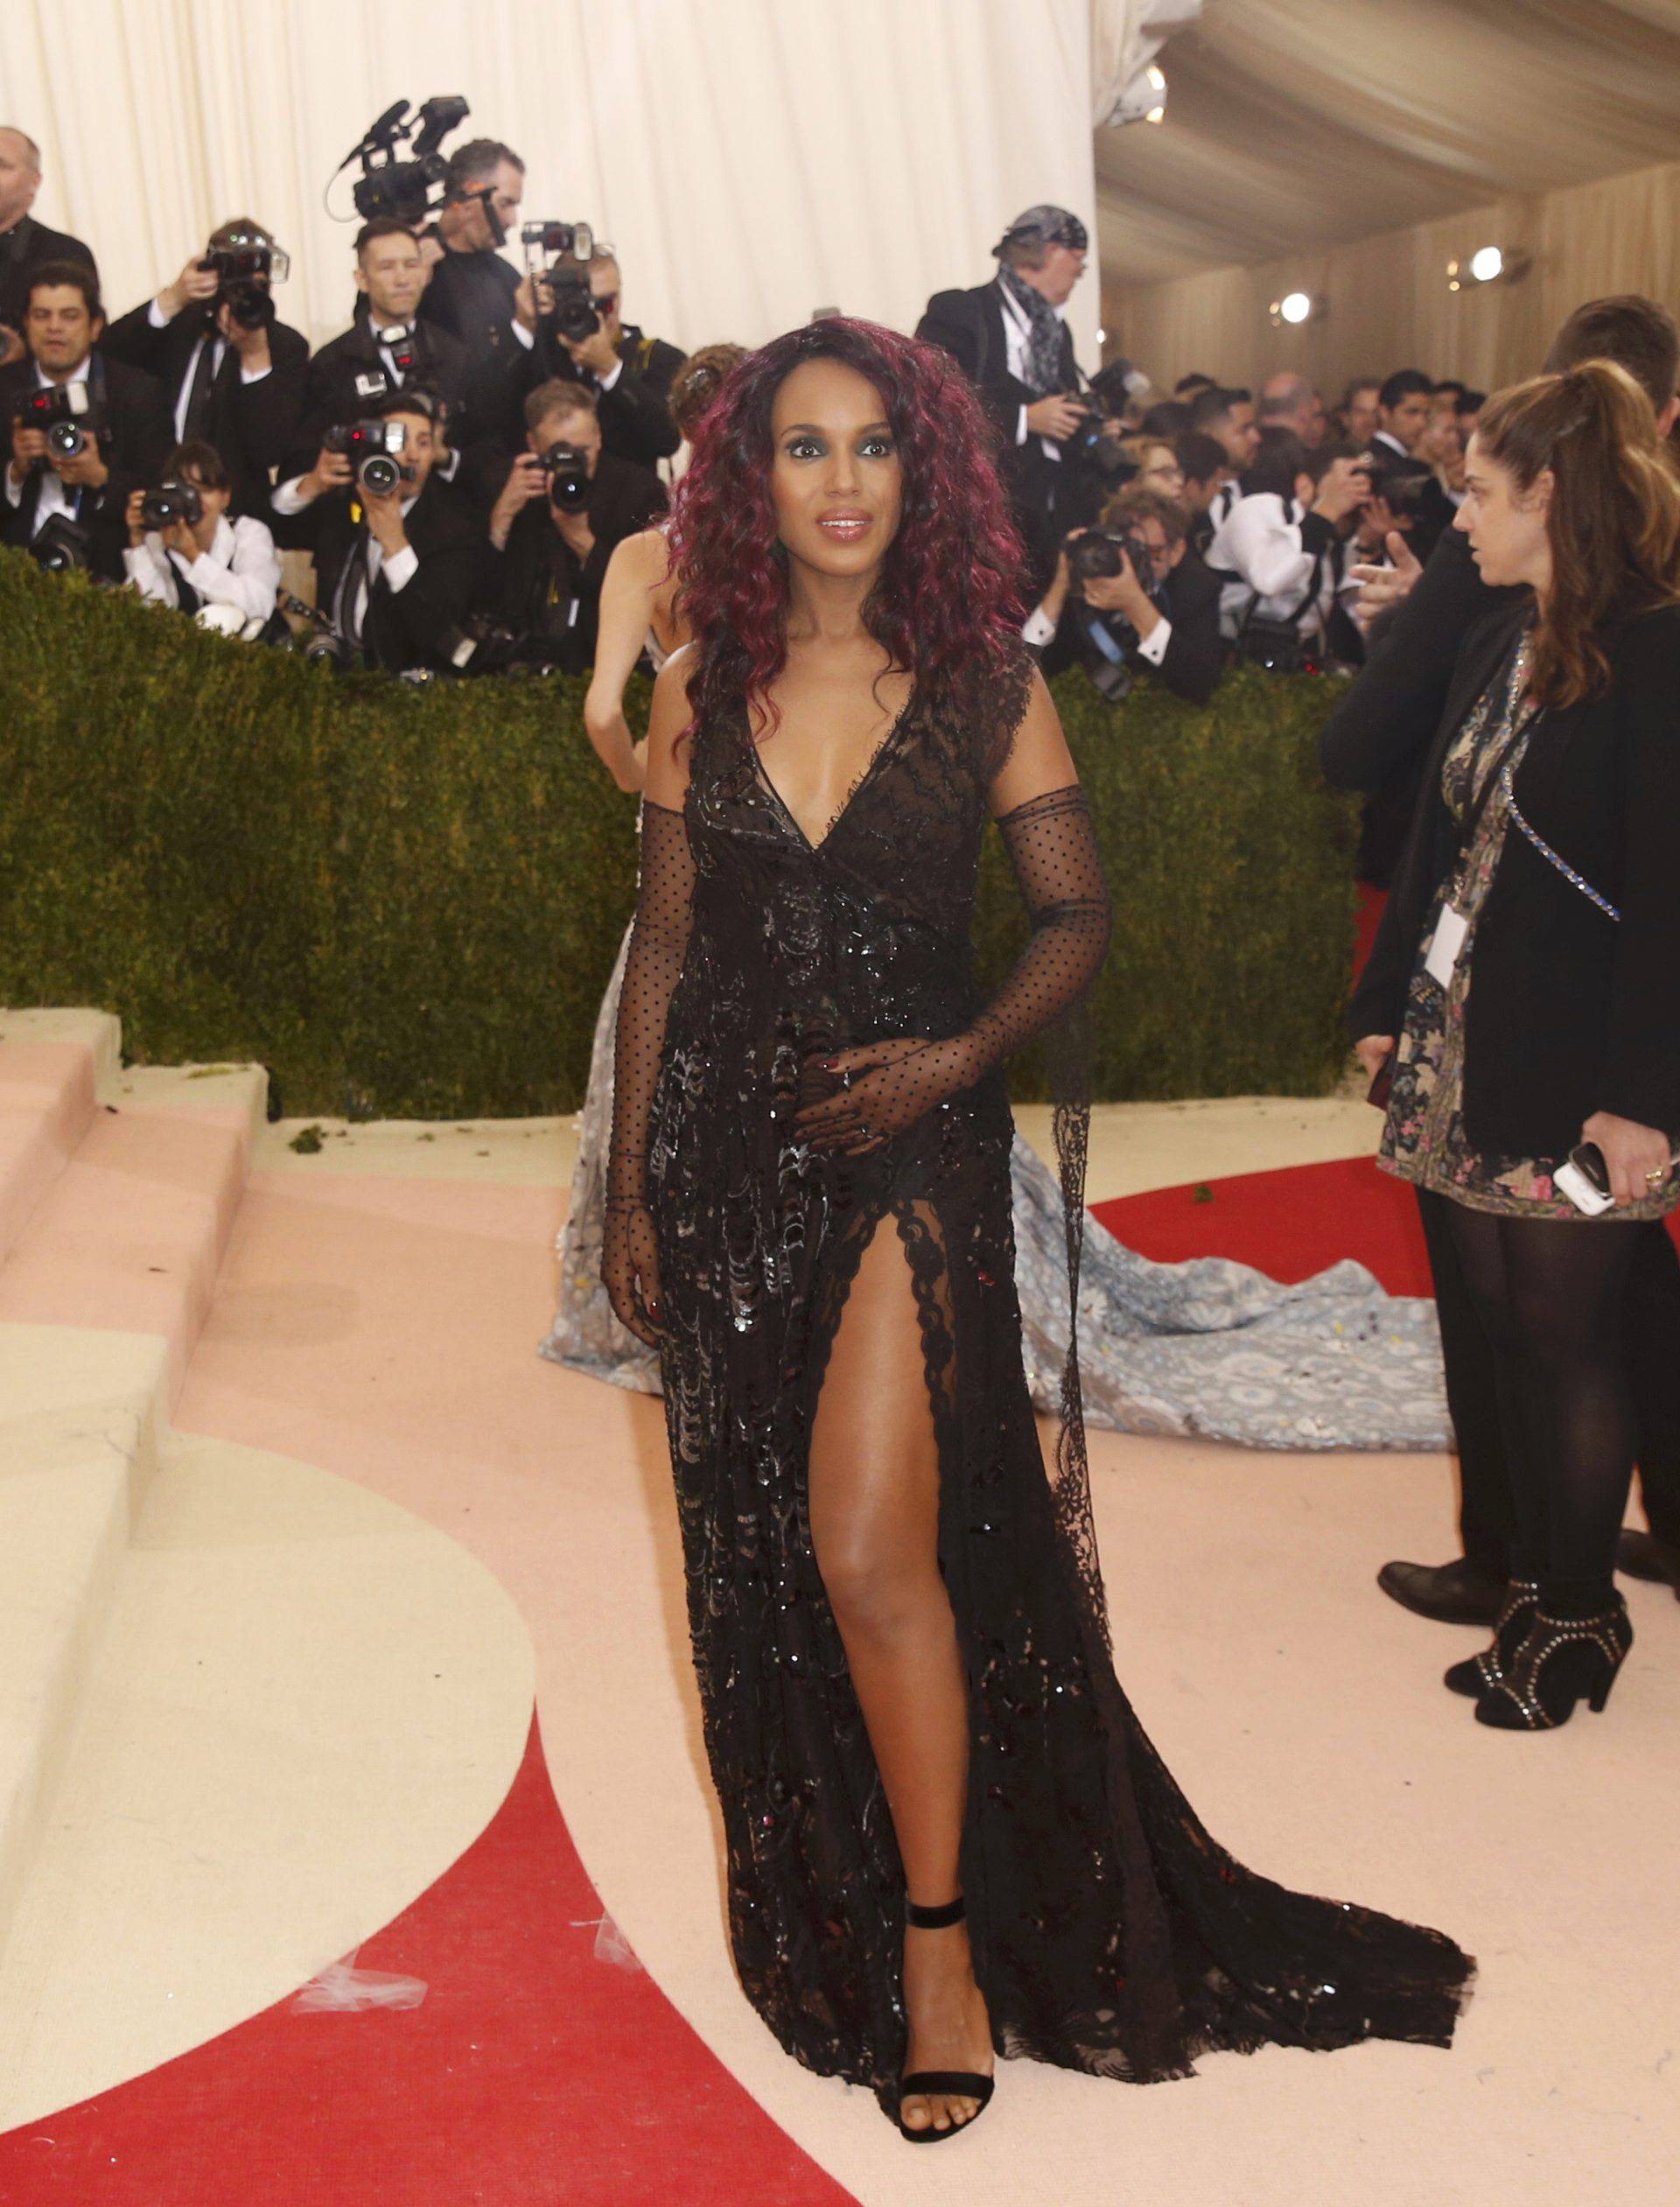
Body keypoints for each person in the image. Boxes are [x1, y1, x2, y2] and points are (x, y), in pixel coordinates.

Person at [598, 312, 1471, 2141]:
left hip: (914, 1153)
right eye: (804, 449)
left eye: (873, 446)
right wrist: (630, 1192)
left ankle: (939, 1947)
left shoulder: (989, 682)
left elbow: (1073, 917)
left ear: (924, 471)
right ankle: (872, 1881)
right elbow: (669, 942)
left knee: (866, 1550)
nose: (842, 481)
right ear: (755, 485)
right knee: (764, 1561)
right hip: (732, 1162)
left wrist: (955, 1063)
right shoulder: (701, 687)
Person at [1324, 294, 1680, 1623]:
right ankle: (1533, 1583)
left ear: (1552, 494)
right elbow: (1438, 847)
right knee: (1509, 1339)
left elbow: (1669, 900)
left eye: (1480, 491)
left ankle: (1579, 1619)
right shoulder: (1510, 632)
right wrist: (1392, 1011)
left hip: (1581, 1063)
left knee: (1569, 1340)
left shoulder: (1656, 650)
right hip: (1471, 1049)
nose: (1457, 515)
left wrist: (1645, 1099)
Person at [915, 205, 1094, 594]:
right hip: (979, 518)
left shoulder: (1058, 334)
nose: (1081, 272)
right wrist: (1025, 419)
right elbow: (929, 398)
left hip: (1047, 524)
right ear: (1047, 252)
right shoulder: (960, 311)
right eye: (1078, 259)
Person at [102, 219, 309, 522]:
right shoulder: (176, 326)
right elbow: (108, 355)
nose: (245, 292)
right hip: (158, 502)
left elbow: (268, 450)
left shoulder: (285, 346)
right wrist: (172, 298)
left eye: (259, 284)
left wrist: (255, 357)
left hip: (236, 516)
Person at [272, 389, 479, 672]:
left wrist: (396, 545)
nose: (412, 456)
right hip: (331, 668)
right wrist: (313, 484)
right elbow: (276, 528)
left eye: (424, 443)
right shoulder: (345, 500)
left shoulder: (453, 528)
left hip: (400, 683)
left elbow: (438, 631)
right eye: (399, 440)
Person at [477, 377, 668, 669]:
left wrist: (580, 539)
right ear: (533, 444)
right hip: (519, 663)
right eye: (559, 453)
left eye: (583, 451)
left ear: (599, 436)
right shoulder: (508, 487)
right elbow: (481, 593)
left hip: (608, 663)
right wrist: (500, 518)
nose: (573, 464)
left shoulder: (638, 491)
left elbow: (650, 600)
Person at [1, 261, 171, 579]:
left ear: (95, 326)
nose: (54, 327)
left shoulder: (137, 393)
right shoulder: (5, 390)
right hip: (16, 575)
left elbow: (160, 491)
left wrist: (100, 478)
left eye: (69, 316)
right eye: (42, 315)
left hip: (108, 574)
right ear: (25, 324)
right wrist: (16, 472)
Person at [282, 220, 471, 483]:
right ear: (362, 279)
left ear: (426, 274)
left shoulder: (455, 355)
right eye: (386, 267)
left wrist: (443, 456)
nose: (402, 279)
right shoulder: (330, 363)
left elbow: (479, 454)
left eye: (411, 265)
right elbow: (302, 461)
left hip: (441, 514)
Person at [1025, 482, 1225, 705]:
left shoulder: (1197, 588)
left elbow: (1201, 683)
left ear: (1176, 552)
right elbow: (1027, 661)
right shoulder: (1094, 570)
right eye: (1130, 548)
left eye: (1152, 552)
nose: (1138, 562)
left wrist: (1135, 604)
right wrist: (1061, 584)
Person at [1207, 433, 1369, 666]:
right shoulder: (1260, 510)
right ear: (1304, 486)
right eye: (1344, 486)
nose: (1351, 498)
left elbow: (1373, 622)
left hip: (1293, 669)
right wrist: (1327, 510)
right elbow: (1268, 579)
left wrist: (1373, 544)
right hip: (1224, 664)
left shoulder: (1344, 546)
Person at [417, 137, 536, 449]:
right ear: (470, 193)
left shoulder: (507, 276)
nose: (512, 221)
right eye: (506, 204)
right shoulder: (411, 262)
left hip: (505, 449)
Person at [532, 246, 683, 473]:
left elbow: (666, 441)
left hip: (630, 500)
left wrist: (611, 369)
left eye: (608, 302)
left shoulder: (659, 358)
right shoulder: (540, 353)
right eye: (588, 303)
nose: (602, 314)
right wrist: (526, 320)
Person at [122, 437, 281, 634]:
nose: (194, 501)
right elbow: (149, 615)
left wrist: (194, 556)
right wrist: (138, 544)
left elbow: (259, 605)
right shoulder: (158, 540)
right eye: (186, 491)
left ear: (225, 496)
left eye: (204, 490)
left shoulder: (248, 533)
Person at [0, 126, 97, 368]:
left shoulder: (64, 254)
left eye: (1, 165)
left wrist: (28, 351)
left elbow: (82, 344)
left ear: (34, 182)